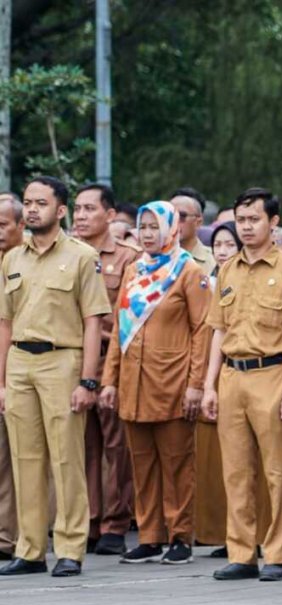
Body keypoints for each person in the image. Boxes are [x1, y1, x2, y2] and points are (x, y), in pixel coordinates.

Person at [201, 188, 282, 582]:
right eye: (241, 220)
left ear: (274, 222)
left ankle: (277, 555)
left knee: (277, 472)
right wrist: (209, 385)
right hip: (232, 374)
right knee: (236, 471)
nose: (247, 227)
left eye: (254, 219)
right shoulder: (227, 270)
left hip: (273, 373)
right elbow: (217, 331)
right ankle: (241, 553)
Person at [0, 177, 111, 578]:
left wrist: (88, 381)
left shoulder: (82, 257)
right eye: (28, 202)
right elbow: (5, 323)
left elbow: (93, 321)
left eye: (41, 203)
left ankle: (69, 548)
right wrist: (2, 382)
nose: (32, 210)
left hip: (62, 360)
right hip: (20, 363)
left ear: (60, 210)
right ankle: (30, 549)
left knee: (66, 459)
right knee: (25, 459)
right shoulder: (13, 259)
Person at [99, 201, 211, 564]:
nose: (147, 234)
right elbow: (120, 328)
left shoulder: (189, 271)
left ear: (170, 229)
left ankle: (180, 537)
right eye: (142, 227)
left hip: (173, 381)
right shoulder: (134, 270)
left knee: (178, 463)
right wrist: (110, 380)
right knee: (142, 463)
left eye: (154, 227)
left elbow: (202, 331)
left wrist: (196, 384)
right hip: (134, 384)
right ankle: (149, 536)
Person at [194, 223, 270, 556]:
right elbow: (215, 332)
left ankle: (264, 537)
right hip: (224, 374)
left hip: (264, 372)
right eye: (218, 245)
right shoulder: (213, 279)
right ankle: (234, 540)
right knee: (230, 466)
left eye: (229, 244)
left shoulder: (273, 273)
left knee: (265, 465)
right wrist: (207, 383)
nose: (222, 251)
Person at [72, 183, 139, 556]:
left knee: (116, 446)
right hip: (73, 360)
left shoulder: (128, 258)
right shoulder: (66, 254)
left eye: (89, 209)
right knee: (84, 444)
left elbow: (128, 318)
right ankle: (91, 521)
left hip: (111, 357)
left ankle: (115, 523)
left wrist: (112, 370)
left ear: (110, 215)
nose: (81, 216)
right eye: (77, 209)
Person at [0, 195, 24, 561]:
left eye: (3, 224)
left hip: (18, 368)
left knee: (13, 459)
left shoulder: (26, 262)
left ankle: (8, 537)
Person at [170, 188, 217, 275]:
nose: (174, 221)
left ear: (198, 222)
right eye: (170, 216)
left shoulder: (216, 260)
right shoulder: (151, 258)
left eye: (181, 216)